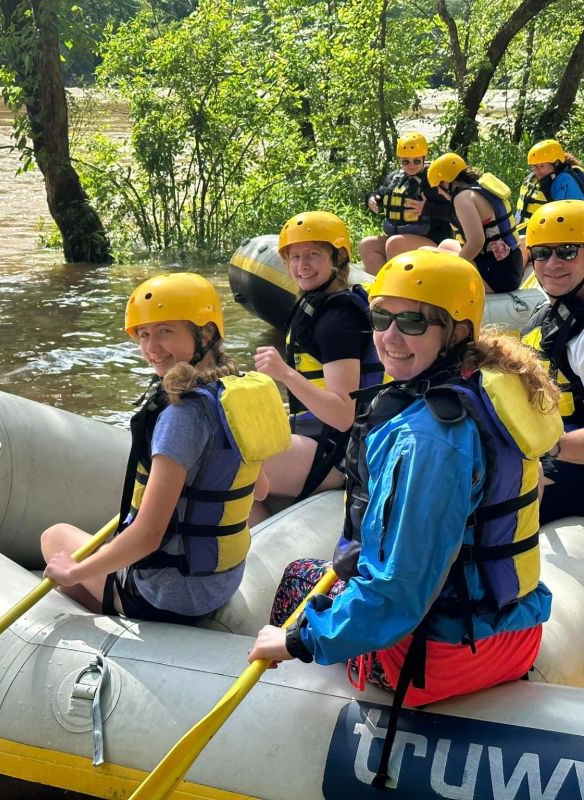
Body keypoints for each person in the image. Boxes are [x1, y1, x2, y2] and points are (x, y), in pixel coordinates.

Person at [248, 250, 561, 786]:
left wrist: (298, 642)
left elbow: (401, 590)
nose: (389, 336)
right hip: (517, 636)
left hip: (436, 660)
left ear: (455, 328)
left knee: (298, 580)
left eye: (413, 321)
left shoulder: (428, 438)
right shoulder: (488, 383)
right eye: (380, 318)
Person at [41, 272, 289, 624]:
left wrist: (74, 572)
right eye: (144, 334)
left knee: (55, 539)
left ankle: (120, 623)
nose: (151, 347)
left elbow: (148, 536)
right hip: (221, 583)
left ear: (204, 333)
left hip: (171, 596)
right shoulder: (234, 393)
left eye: (165, 331)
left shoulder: (181, 415)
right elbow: (260, 487)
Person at [251, 211, 382, 523]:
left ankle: (246, 559)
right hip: (319, 437)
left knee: (224, 466)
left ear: (336, 259)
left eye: (313, 255)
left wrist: (285, 373)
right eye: (294, 257)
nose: (302, 266)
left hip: (337, 451)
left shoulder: (337, 320)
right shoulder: (321, 305)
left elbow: (342, 414)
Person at [521, 199, 584, 523]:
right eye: (542, 253)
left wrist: (548, 449)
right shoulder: (550, 312)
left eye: (568, 250)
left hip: (572, 460)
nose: (552, 263)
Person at [428, 152, 523, 293]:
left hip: (497, 277)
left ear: (447, 181)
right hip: (511, 265)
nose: (439, 192)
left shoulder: (462, 198)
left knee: (425, 252)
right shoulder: (480, 187)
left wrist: (456, 268)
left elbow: (476, 242)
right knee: (446, 244)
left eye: (438, 186)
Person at [359, 132, 452, 275]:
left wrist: (427, 208)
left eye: (416, 161)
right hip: (399, 239)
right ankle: (380, 285)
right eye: (405, 161)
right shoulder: (394, 178)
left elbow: (453, 211)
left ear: (424, 159)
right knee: (367, 245)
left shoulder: (434, 180)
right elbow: (379, 194)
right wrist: (370, 199)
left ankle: (398, 289)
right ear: (399, 160)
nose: (411, 165)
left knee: (395, 243)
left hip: (432, 243)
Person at [517, 139, 584, 225]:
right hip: (525, 232)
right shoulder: (533, 178)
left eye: (540, 166)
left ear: (556, 163)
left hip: (549, 233)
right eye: (533, 166)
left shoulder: (565, 180)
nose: (535, 171)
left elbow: (574, 218)